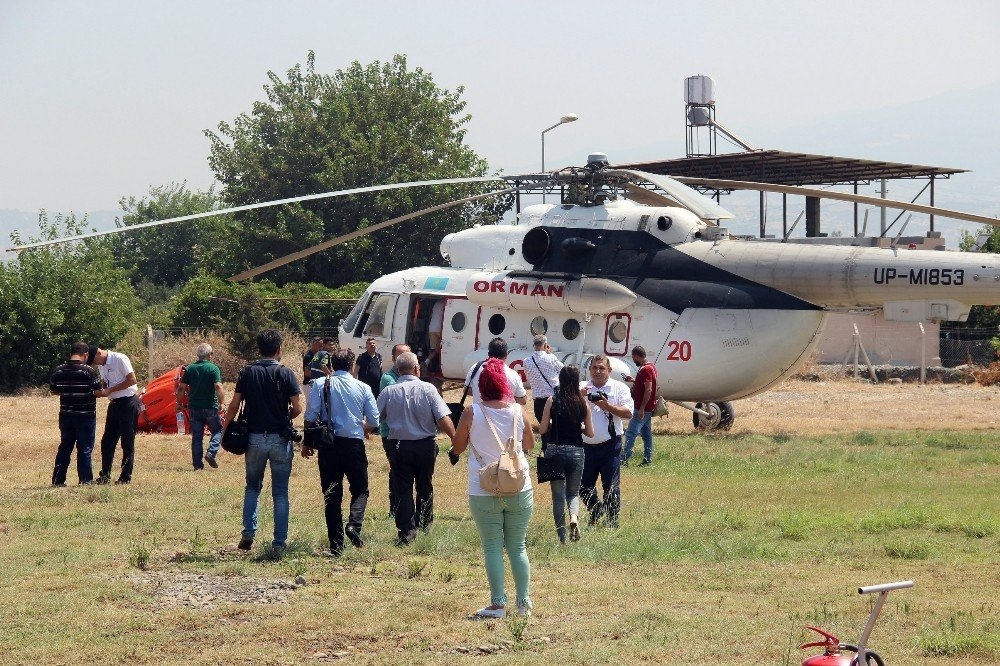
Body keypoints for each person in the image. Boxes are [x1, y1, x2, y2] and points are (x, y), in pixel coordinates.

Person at [451, 358, 535, 619]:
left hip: (483, 486)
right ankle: (524, 603)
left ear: (481, 386)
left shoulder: (471, 412)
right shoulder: (517, 411)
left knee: (492, 547)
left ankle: (498, 603)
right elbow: (530, 444)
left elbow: (458, 448)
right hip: (518, 485)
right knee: (518, 546)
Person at [223, 329, 303, 556]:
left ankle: (248, 532)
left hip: (254, 439)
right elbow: (297, 408)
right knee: (280, 492)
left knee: (252, 487)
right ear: (279, 350)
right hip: (280, 438)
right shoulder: (285, 374)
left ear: (258, 349)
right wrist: (285, 418)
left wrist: (224, 430)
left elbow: (234, 406)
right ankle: (278, 543)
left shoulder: (247, 372)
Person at [303, 348, 378, 556]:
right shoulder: (362, 387)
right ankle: (354, 525)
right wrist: (362, 428)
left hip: (328, 445)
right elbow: (373, 420)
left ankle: (336, 545)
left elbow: (310, 415)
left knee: (332, 495)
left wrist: (307, 443)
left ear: (332, 365)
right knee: (360, 489)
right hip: (353, 443)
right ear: (353, 365)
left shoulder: (320, 384)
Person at [377, 351, 456, 545]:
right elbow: (442, 418)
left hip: (399, 446)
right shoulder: (428, 389)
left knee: (402, 489)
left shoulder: (389, 391)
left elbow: (374, 418)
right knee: (425, 485)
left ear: (397, 369)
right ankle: (425, 526)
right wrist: (455, 439)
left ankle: (406, 533)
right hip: (425, 446)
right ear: (416, 369)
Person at [538, 365, 594, 544]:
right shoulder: (583, 402)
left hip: (555, 450)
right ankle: (574, 517)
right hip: (577, 451)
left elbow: (543, 428)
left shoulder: (552, 400)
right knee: (573, 493)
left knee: (558, 496)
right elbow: (590, 433)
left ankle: (562, 538)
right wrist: (577, 427)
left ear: (561, 380)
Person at [579, 354, 633, 528]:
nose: (598, 371)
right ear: (589, 370)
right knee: (583, 485)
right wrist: (578, 397)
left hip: (610, 445)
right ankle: (596, 508)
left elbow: (628, 413)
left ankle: (612, 522)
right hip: (585, 446)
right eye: (594, 368)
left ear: (609, 370)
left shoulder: (619, 388)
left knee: (611, 486)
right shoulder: (581, 388)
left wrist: (607, 406)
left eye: (602, 368)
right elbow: (562, 407)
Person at [50, 341, 102, 486]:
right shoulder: (89, 371)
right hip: (85, 415)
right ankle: (85, 481)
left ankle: (57, 480)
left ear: (70, 353)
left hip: (66, 414)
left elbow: (54, 391)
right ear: (85, 355)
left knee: (65, 446)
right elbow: (98, 392)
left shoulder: (59, 370)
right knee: (84, 448)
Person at [89, 345, 141, 485]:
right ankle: (105, 476)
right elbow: (106, 382)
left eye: (94, 361)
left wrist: (110, 389)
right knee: (107, 442)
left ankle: (125, 477)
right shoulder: (102, 364)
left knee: (127, 442)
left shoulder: (119, 358)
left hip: (128, 402)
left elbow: (132, 380)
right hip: (114, 403)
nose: (95, 364)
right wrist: (102, 390)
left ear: (99, 352)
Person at [176, 343, 226, 470]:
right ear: (209, 354)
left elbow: (181, 387)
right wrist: (222, 403)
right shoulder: (213, 368)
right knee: (218, 430)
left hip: (194, 408)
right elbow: (218, 386)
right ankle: (211, 452)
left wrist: (179, 403)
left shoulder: (190, 369)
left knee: (197, 437)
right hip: (210, 406)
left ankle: (198, 466)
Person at [379, 343, 412, 514]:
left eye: (407, 355)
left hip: (407, 432)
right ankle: (395, 507)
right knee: (396, 469)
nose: (404, 359)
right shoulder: (388, 378)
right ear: (393, 359)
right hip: (390, 432)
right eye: (400, 356)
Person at [522, 334, 563, 444]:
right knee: (557, 429)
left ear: (534, 345)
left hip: (539, 401)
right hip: (554, 398)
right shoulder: (551, 358)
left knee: (545, 430)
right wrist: (550, 353)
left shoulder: (526, 361)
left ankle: (546, 452)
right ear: (545, 345)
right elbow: (563, 371)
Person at [464, 337, 528, 406]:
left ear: (488, 354)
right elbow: (522, 401)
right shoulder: (514, 375)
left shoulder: (475, 368)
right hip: (504, 415)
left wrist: (479, 392)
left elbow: (466, 390)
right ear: (506, 356)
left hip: (479, 414)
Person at [623, 345, 658, 466]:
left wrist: (642, 408)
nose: (633, 360)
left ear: (637, 356)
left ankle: (624, 458)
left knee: (631, 433)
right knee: (647, 435)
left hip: (642, 408)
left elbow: (648, 389)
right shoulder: (651, 367)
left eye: (633, 358)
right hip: (648, 408)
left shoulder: (645, 369)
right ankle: (647, 459)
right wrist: (634, 380)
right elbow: (646, 385)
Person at [425, 298, 445, 372]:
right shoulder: (446, 302)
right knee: (441, 348)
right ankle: (439, 367)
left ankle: (427, 362)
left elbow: (431, 315)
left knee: (434, 349)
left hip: (432, 328)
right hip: (440, 328)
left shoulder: (436, 303)